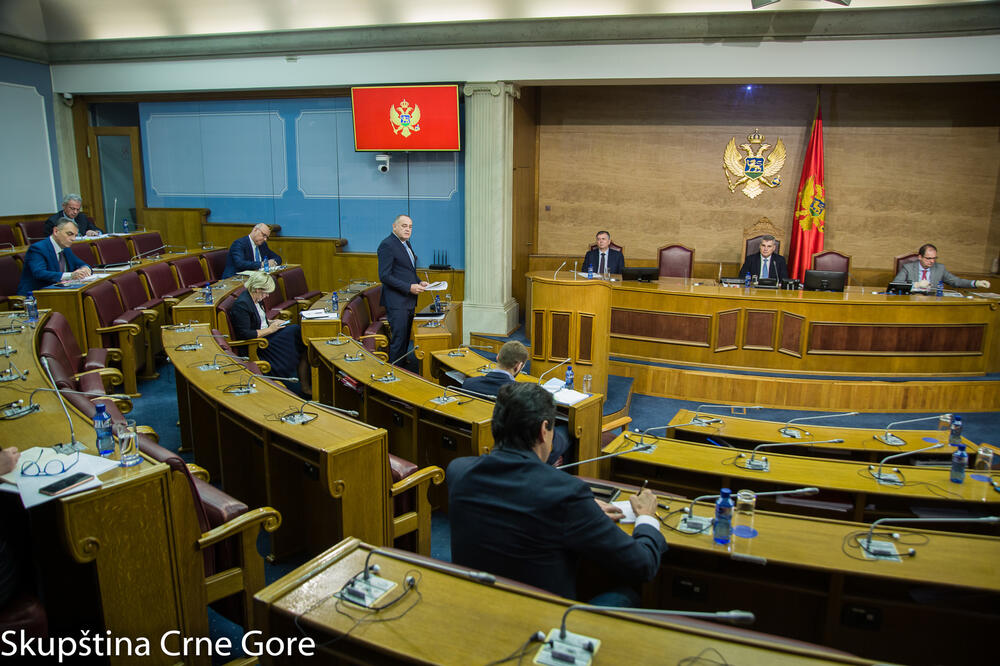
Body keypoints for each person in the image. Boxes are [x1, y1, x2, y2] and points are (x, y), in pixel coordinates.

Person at [447, 382, 667, 601]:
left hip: (473, 607)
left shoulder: (459, 471)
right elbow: (643, 565)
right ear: (544, 431)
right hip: (540, 618)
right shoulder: (566, 494)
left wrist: (585, 509)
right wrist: (646, 517)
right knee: (625, 595)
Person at [462, 341, 570, 466]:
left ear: (498, 357)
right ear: (518, 366)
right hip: (512, 446)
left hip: (476, 440)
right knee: (566, 430)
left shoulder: (468, 384)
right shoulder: (521, 393)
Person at [229, 271, 311, 396]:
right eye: (266, 292)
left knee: (297, 332)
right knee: (295, 332)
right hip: (259, 345)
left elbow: (259, 319)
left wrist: (273, 322)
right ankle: (300, 383)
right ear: (257, 288)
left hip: (266, 336)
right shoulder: (242, 304)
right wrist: (271, 329)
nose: (267, 296)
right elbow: (245, 334)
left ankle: (305, 382)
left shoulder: (257, 298)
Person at [377, 214, 428, 368]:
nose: (408, 229)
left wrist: (419, 281)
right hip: (397, 301)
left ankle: (402, 366)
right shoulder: (387, 245)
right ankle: (394, 371)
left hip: (408, 300)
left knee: (405, 338)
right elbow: (385, 276)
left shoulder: (406, 243)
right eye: (404, 226)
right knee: (399, 340)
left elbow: (407, 271)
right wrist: (409, 287)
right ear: (394, 227)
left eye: (410, 227)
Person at [17, 218, 92, 295]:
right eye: (69, 234)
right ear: (56, 231)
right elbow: (39, 273)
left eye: (75, 235)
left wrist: (85, 268)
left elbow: (80, 264)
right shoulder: (38, 248)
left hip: (59, 292)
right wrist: (71, 275)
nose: (73, 239)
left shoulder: (65, 249)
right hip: (36, 294)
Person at [893, 244, 991, 291]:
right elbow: (896, 285)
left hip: (932, 303)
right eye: (928, 258)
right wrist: (916, 285)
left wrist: (975, 283)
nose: (932, 261)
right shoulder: (908, 268)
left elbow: (956, 281)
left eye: (934, 258)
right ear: (920, 257)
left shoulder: (939, 268)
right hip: (912, 301)